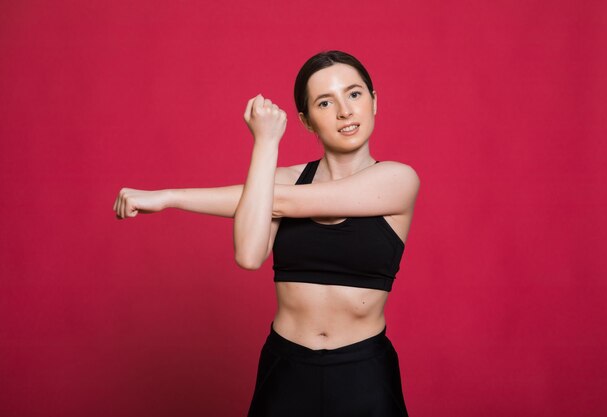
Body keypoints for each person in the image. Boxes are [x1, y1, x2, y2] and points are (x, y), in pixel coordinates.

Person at [113, 50, 420, 417]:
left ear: (374, 101)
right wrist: (265, 143)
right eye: (325, 102)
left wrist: (173, 197)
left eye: (354, 94)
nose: (345, 111)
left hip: (364, 371)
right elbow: (248, 255)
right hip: (286, 367)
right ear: (306, 121)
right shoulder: (279, 183)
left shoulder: (399, 179)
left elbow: (281, 202)